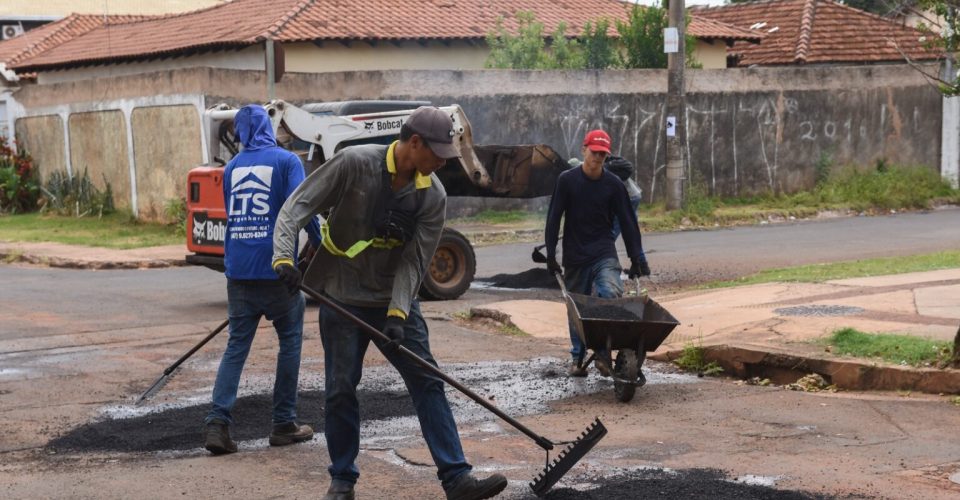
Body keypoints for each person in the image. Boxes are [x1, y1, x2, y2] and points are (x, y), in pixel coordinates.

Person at [271, 106, 508, 500]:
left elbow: (416, 261)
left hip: (393, 301)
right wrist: (282, 257)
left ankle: (457, 478)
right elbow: (295, 209)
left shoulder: (432, 195)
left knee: (428, 381)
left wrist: (398, 313)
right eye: (436, 153)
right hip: (342, 294)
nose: (441, 163)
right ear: (413, 143)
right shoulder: (353, 164)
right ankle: (342, 481)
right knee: (340, 388)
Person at [204, 104, 322, 455]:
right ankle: (284, 422)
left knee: (236, 347)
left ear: (240, 133)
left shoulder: (231, 169)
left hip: (238, 271)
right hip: (277, 268)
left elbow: (232, 214)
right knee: (290, 338)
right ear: (269, 128)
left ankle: (217, 423)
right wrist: (320, 244)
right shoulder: (287, 162)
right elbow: (301, 208)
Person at [544, 129, 651, 377]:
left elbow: (627, 222)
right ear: (584, 150)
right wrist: (551, 255)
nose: (598, 158)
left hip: (604, 251)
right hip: (574, 255)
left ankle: (603, 353)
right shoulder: (567, 180)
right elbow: (553, 219)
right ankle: (578, 357)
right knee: (577, 307)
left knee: (609, 293)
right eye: (594, 153)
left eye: (603, 154)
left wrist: (637, 258)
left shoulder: (613, 185)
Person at [604, 155, 643, 240]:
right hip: (634, 194)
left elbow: (628, 165)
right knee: (631, 224)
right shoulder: (604, 166)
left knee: (617, 223)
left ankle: (606, 245)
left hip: (630, 196)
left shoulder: (607, 167)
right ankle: (635, 248)